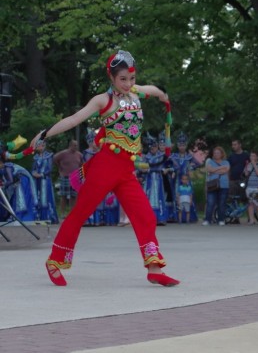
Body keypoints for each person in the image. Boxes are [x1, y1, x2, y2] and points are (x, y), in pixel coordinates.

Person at [30, 50, 179, 287]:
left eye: (131, 78)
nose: (128, 84)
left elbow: (151, 90)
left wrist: (163, 96)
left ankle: (154, 269)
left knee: (145, 216)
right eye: (123, 79)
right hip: (105, 167)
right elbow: (74, 119)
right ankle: (54, 261)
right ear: (111, 77)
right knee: (80, 214)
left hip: (125, 171)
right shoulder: (104, 100)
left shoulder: (135, 92)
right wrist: (44, 134)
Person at [170, 132, 202, 222]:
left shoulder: (189, 156)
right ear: (177, 145)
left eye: (183, 145)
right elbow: (168, 163)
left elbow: (198, 164)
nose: (182, 147)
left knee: (188, 196)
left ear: (186, 145)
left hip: (186, 180)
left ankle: (189, 217)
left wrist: (191, 166)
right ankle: (177, 217)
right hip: (176, 180)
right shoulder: (174, 156)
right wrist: (172, 169)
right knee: (177, 197)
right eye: (180, 145)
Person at [142, 136, 169, 225]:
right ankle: (149, 218)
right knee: (148, 199)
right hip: (149, 180)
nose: (153, 148)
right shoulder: (146, 157)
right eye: (151, 147)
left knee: (159, 198)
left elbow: (167, 166)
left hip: (158, 180)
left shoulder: (161, 156)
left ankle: (160, 218)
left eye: (154, 146)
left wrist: (166, 170)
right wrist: (143, 170)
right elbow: (141, 169)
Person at [53, 140, 83, 217]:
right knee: (64, 195)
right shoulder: (63, 153)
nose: (76, 147)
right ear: (70, 145)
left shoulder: (79, 155)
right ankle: (62, 213)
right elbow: (55, 158)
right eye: (74, 145)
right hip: (65, 176)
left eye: (76, 145)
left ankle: (72, 212)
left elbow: (81, 165)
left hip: (75, 177)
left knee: (74, 195)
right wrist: (60, 167)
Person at [32, 140, 59, 224]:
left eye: (41, 145)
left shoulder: (49, 156)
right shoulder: (35, 157)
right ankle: (39, 216)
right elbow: (33, 168)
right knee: (38, 196)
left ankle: (49, 217)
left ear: (44, 146)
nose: (40, 147)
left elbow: (50, 169)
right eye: (38, 146)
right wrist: (34, 173)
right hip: (37, 180)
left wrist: (42, 174)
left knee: (46, 197)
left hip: (45, 179)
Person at [204, 146, 230, 226]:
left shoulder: (226, 162)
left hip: (224, 185)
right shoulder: (210, 162)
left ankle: (221, 219)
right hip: (212, 185)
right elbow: (209, 170)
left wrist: (214, 170)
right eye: (215, 153)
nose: (216, 154)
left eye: (218, 153)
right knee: (210, 202)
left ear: (222, 154)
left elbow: (225, 170)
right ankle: (207, 220)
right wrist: (220, 168)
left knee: (222, 203)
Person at [244, 150, 258, 225]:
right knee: (250, 203)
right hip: (249, 186)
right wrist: (247, 167)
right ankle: (251, 220)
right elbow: (246, 174)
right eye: (251, 156)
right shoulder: (248, 165)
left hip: (257, 187)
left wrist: (254, 165)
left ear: (257, 157)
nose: (251, 157)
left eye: (253, 156)